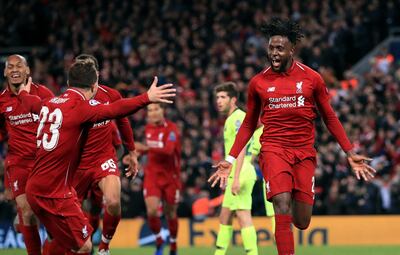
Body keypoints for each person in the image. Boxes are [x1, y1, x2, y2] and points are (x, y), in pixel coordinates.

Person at [208, 18, 376, 255]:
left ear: (291, 49)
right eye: (271, 48)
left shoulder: (312, 79)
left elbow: (329, 117)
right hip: (274, 150)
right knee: (281, 203)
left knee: (302, 221)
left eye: (279, 48)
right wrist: (231, 158)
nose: (274, 53)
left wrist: (349, 152)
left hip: (304, 152)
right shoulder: (258, 83)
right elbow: (248, 124)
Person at [20, 60, 175, 255]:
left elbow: (31, 104)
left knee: (68, 243)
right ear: (94, 86)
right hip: (55, 192)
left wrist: (24, 93)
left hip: (35, 188)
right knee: (83, 247)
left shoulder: (49, 103)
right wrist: (147, 97)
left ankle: (102, 247)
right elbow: (116, 110)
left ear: (69, 83)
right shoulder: (81, 108)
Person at [71, 54, 139, 255]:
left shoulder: (111, 95)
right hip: (76, 164)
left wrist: (132, 151)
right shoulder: (70, 100)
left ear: (96, 73)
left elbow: (123, 122)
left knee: (114, 201)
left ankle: (104, 247)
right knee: (73, 215)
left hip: (103, 159)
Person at [0, 54, 54, 255]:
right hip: (18, 163)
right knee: (27, 211)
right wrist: (6, 183)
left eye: (19, 66)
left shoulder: (44, 93)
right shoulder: (1, 101)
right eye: (10, 67)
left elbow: (57, 122)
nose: (14, 70)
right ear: (5, 72)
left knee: (48, 216)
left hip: (45, 164)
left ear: (27, 70)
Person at [213, 82, 258, 255]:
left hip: (240, 170)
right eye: (217, 97)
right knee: (225, 215)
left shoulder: (238, 117)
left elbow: (241, 147)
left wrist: (237, 176)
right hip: (238, 169)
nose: (219, 101)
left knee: (242, 214)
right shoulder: (232, 118)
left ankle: (252, 253)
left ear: (233, 99)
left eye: (223, 97)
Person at [134, 103, 181, 255]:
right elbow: (148, 151)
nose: (152, 113)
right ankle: (159, 241)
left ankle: (173, 244)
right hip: (152, 176)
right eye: (150, 110)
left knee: (170, 213)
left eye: (156, 109)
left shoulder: (172, 128)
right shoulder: (148, 128)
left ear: (163, 111)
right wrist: (135, 155)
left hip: (170, 177)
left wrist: (145, 148)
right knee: (152, 211)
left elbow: (168, 150)